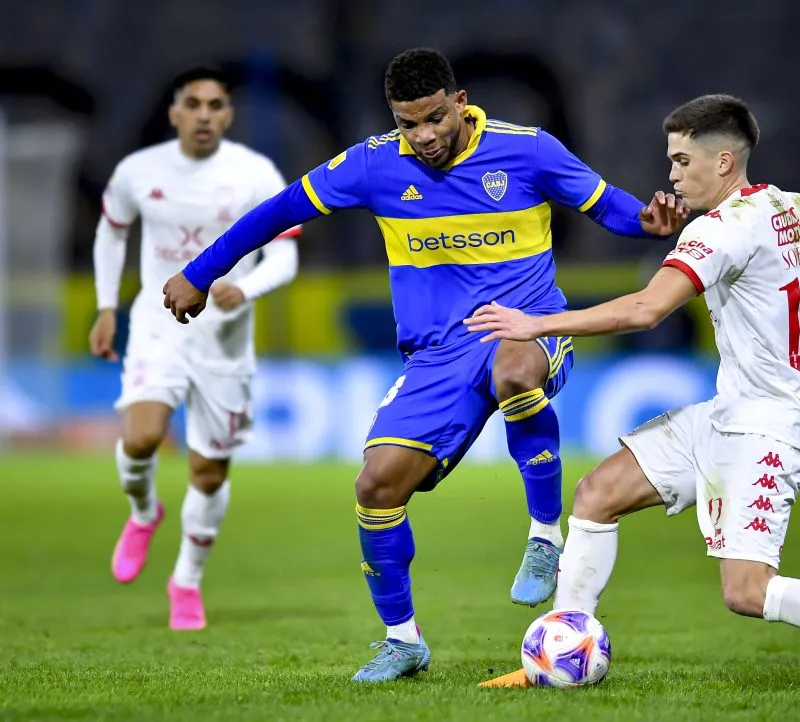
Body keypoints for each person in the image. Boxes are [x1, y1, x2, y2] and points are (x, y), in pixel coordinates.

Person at [160, 48, 685, 681]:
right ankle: (402, 641)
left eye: (435, 118)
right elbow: (277, 213)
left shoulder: (529, 150)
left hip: (526, 326)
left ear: (460, 103)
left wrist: (648, 222)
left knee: (516, 372)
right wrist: (199, 271)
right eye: (410, 124)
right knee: (377, 485)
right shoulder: (373, 165)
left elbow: (608, 207)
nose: (425, 136)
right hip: (437, 356)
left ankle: (546, 534)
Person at [468, 93, 800, 694]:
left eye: (680, 160)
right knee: (596, 494)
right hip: (730, 411)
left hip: (767, 427)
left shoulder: (722, 232)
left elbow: (646, 310)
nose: (671, 174)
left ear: (723, 162)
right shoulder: (791, 208)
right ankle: (556, 654)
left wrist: (535, 323)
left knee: (746, 591)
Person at [90, 65, 300, 631]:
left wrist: (245, 287)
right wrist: (107, 307)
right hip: (158, 326)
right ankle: (143, 511)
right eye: (194, 104)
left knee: (208, 474)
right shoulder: (139, 171)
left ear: (228, 115)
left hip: (225, 344)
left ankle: (185, 580)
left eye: (216, 105)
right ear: (175, 111)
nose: (204, 114)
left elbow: (285, 255)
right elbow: (111, 232)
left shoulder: (255, 173)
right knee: (141, 438)